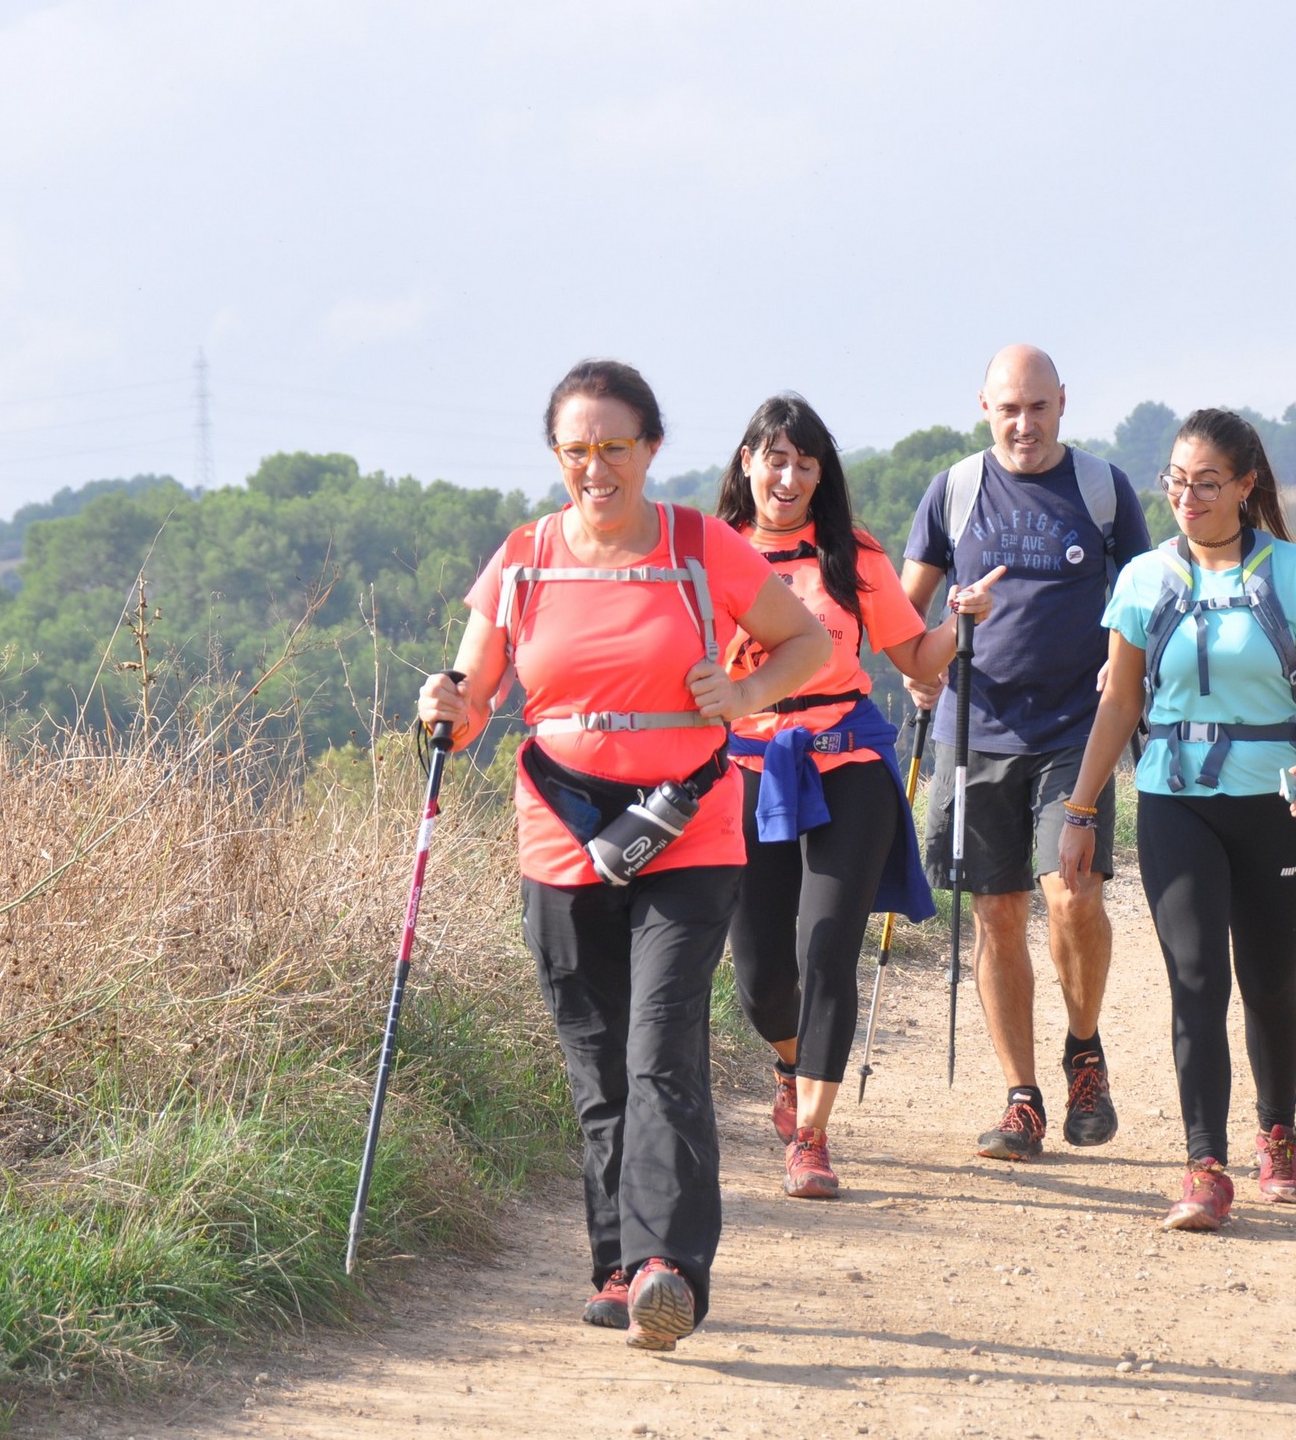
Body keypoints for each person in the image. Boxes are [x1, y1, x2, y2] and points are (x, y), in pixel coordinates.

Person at [419, 360, 828, 1351]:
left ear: (651, 448)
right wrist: (444, 708)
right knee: (598, 1060)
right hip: (560, 832)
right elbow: (471, 703)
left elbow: (807, 645)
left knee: (660, 1050)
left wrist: (742, 696)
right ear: (556, 456)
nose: (595, 468)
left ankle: (665, 1268)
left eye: (614, 447)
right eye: (576, 450)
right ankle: (614, 1263)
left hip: (688, 825)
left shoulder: (700, 546)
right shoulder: (522, 559)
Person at [1056, 409, 1296, 1229]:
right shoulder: (1144, 579)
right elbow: (1120, 702)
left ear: (1245, 485)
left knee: (1268, 982)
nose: (1188, 499)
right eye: (1177, 482)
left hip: (1277, 804)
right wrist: (1080, 808)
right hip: (1174, 802)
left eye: (1207, 484)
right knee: (1195, 980)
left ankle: (1279, 1132)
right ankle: (1205, 1166)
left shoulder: (1292, 571)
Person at [714, 394, 1003, 1199]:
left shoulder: (851, 553)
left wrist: (963, 621)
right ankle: (790, 1063)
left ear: (821, 474)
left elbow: (916, 657)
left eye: (805, 464)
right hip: (749, 768)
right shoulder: (713, 555)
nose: (789, 478)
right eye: (776, 460)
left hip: (848, 761)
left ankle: (811, 1137)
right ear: (748, 462)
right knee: (761, 977)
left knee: (826, 946)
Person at [902, 345, 1153, 1159]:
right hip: (974, 731)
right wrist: (924, 658)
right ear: (985, 407)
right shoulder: (953, 490)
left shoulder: (1103, 490)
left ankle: (1084, 1051)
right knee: (998, 913)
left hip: (1077, 730)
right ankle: (1023, 1100)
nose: (1024, 424)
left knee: (1073, 896)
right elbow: (903, 619)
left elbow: (1145, 601)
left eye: (1038, 407)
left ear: (1062, 404)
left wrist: (1128, 675)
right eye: (1009, 408)